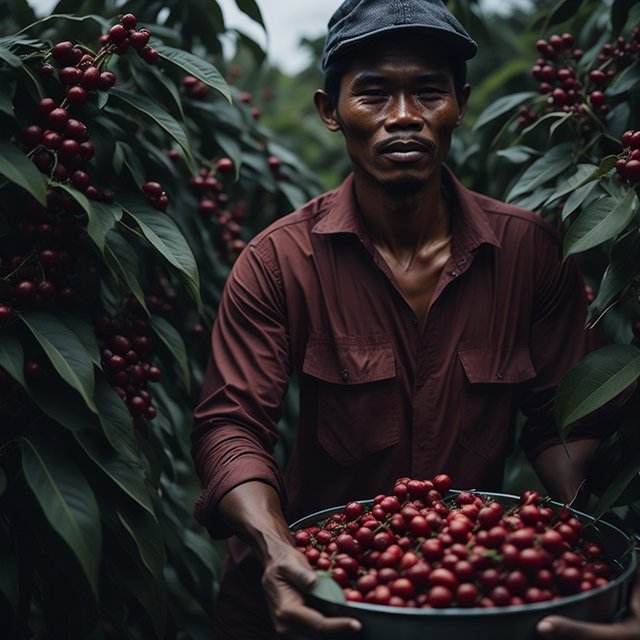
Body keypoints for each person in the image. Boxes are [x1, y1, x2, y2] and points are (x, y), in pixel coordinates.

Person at [191, 1, 639, 638]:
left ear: (458, 103)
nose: (403, 117)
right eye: (373, 94)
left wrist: (587, 545)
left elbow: (565, 425)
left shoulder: (531, 253)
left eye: (428, 92)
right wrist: (275, 546)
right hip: (307, 591)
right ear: (329, 111)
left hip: (465, 590)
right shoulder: (279, 260)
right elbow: (231, 426)